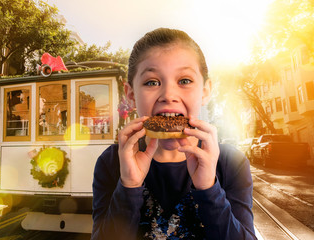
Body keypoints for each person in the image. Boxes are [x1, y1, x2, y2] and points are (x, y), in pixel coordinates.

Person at [91, 28, 256, 240]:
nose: (168, 95)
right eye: (151, 82)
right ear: (131, 94)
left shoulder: (230, 163)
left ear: (205, 90)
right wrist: (129, 186)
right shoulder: (112, 162)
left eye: (185, 81)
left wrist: (208, 189)